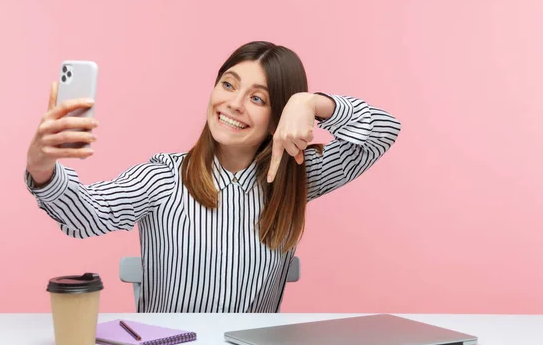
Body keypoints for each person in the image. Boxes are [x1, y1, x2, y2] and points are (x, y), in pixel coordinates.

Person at [25, 41, 401, 313]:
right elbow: (85, 215)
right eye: (228, 84)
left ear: (279, 116)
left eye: (259, 98)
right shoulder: (164, 178)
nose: (234, 104)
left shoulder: (297, 175)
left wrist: (311, 103)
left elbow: (384, 131)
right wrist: (42, 166)